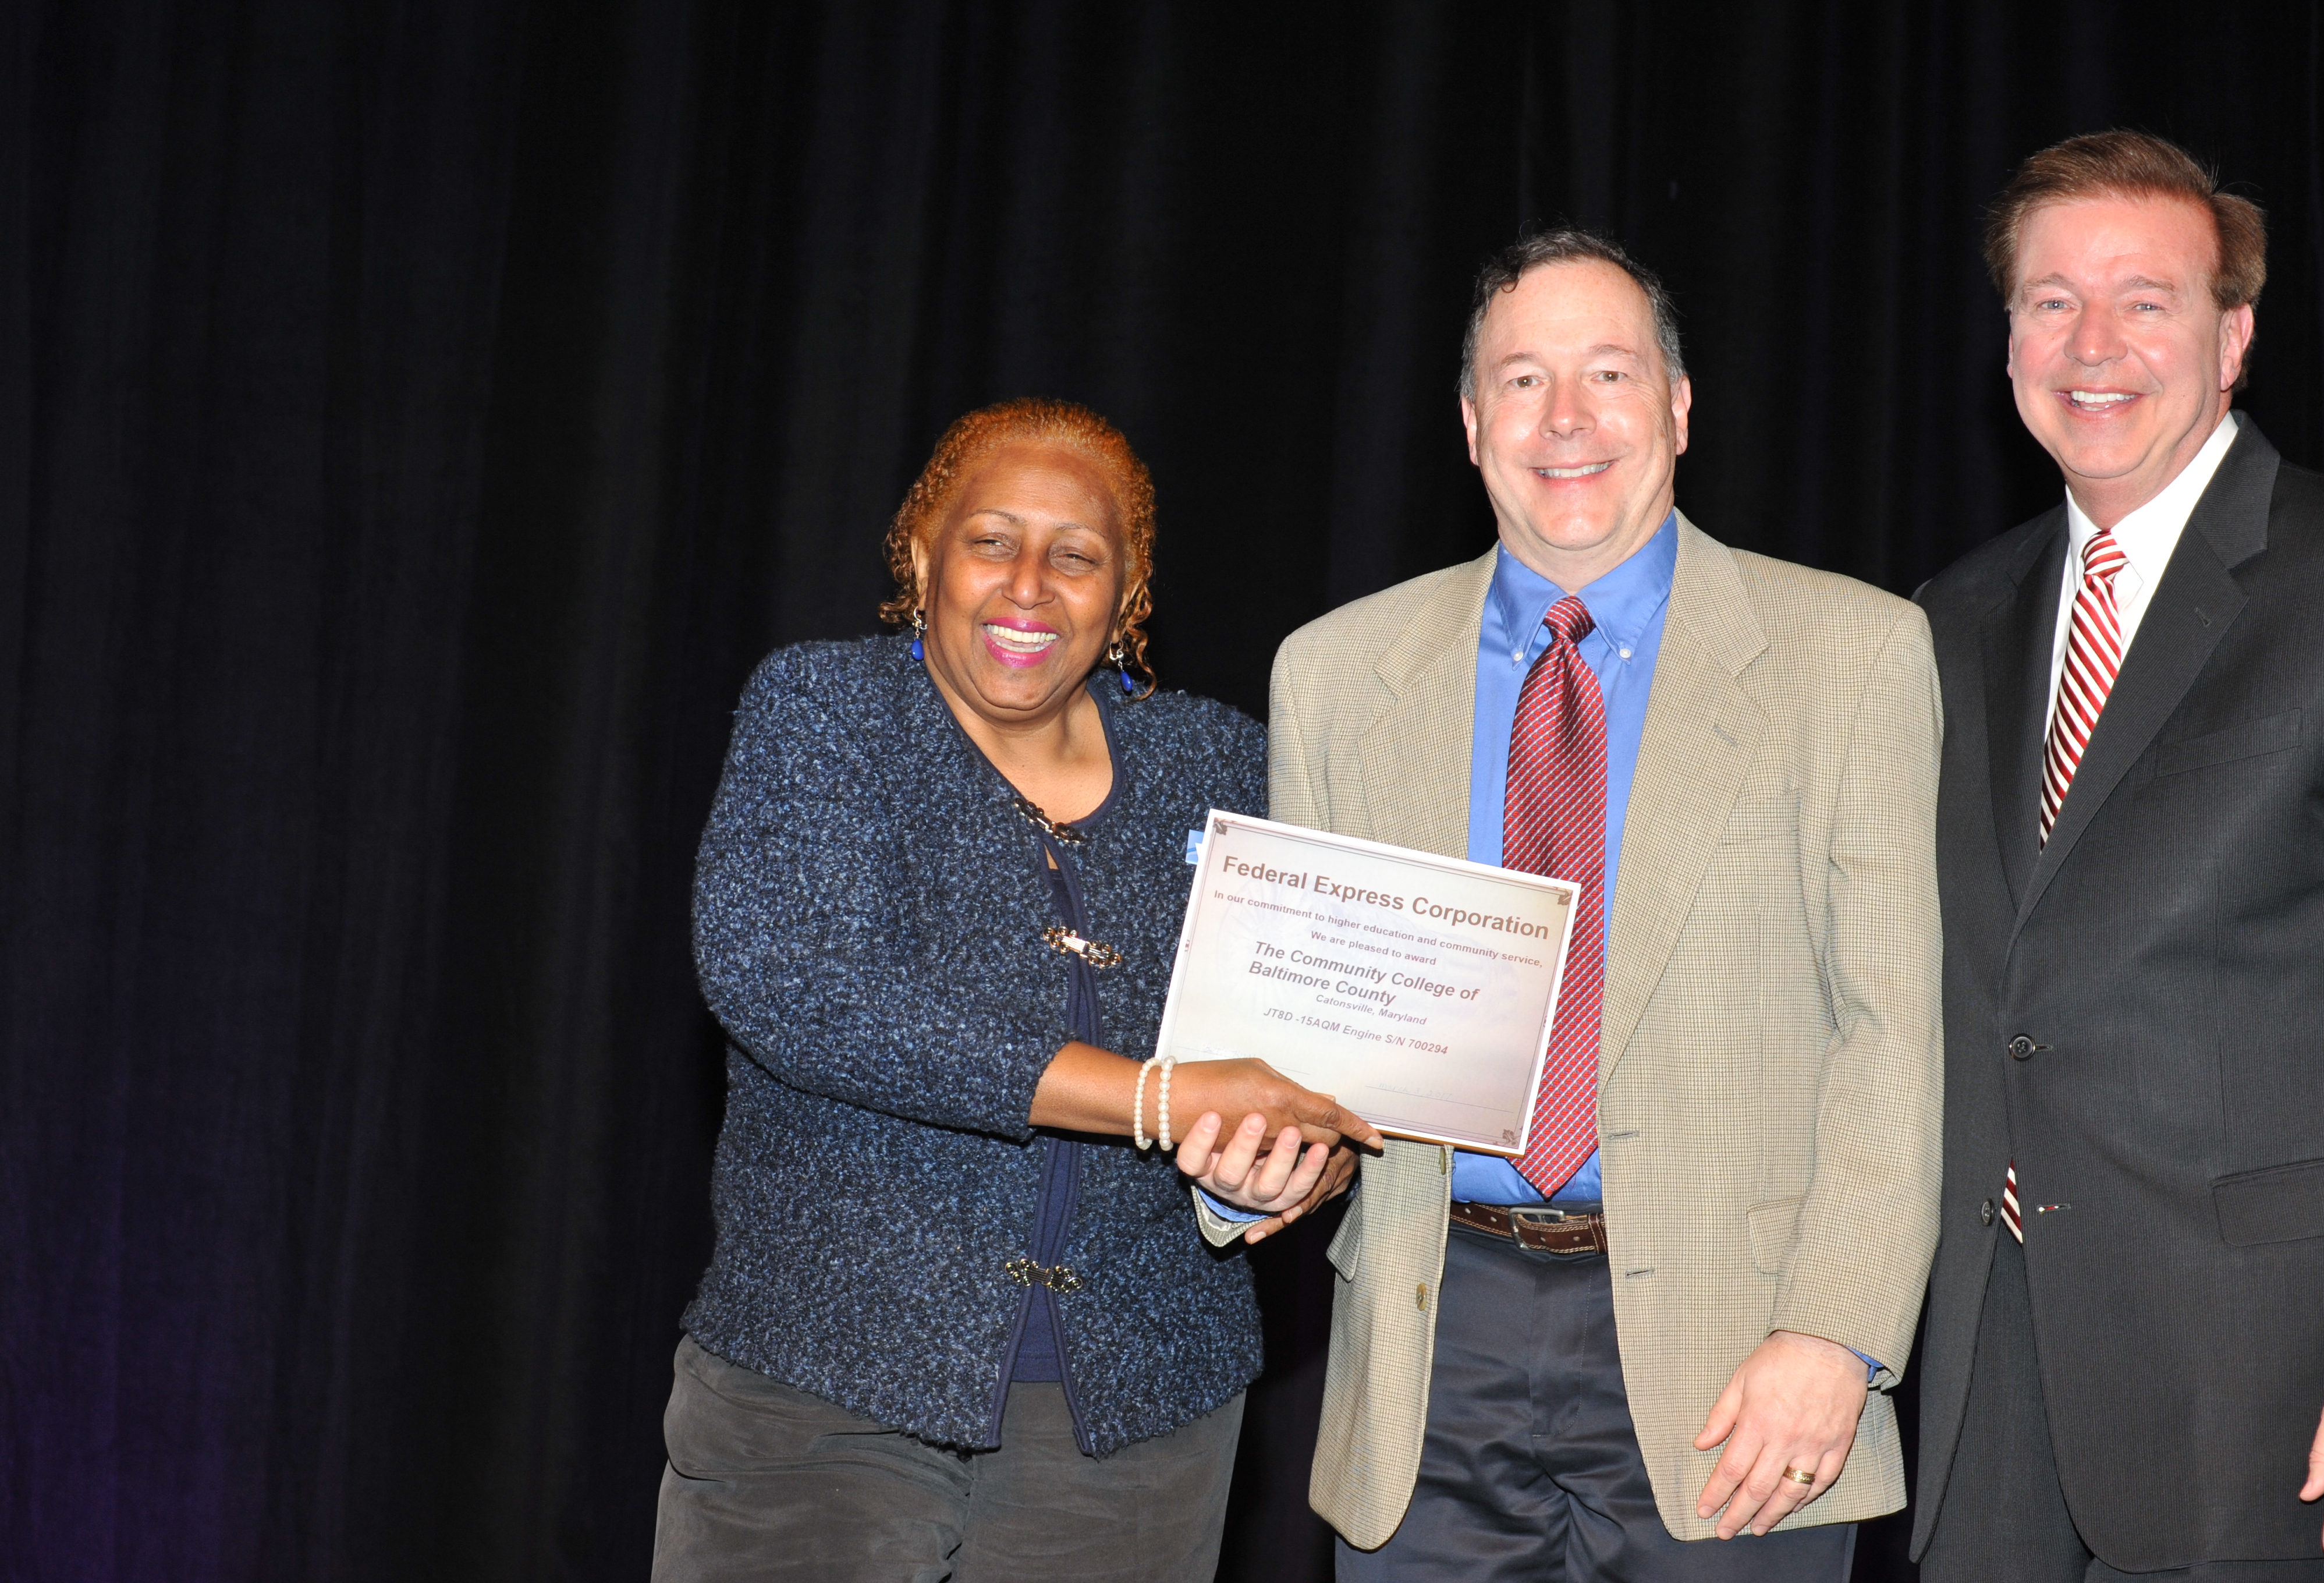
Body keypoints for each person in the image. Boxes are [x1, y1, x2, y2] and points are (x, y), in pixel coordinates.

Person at [1216, 230, 1943, 1580]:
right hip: (1433, 1347)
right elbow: (1307, 1032)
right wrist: (1251, 1156)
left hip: (1738, 1370)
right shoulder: (1334, 672)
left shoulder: (1852, 656)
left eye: (1607, 374)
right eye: (1522, 379)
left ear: (1676, 407)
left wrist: (1836, 1333)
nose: (1565, 420)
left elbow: (1894, 1030)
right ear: (1468, 421)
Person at [652, 396, 1372, 1583]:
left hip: (1140, 1413)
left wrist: (1277, 1165)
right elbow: (794, 985)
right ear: (922, 556)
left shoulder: (1223, 765)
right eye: (992, 540)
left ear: (1127, 595)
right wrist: (1155, 1098)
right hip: (824, 1385)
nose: (1029, 584)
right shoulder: (828, 711)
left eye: (1077, 556)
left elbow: (1287, 1050)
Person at [1909, 132, 2324, 1582]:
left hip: (2264, 1387)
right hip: (1991, 1372)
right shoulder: (1949, 618)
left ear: (2232, 338)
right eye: (2049, 302)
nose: (2091, 345)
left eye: (2143, 300)